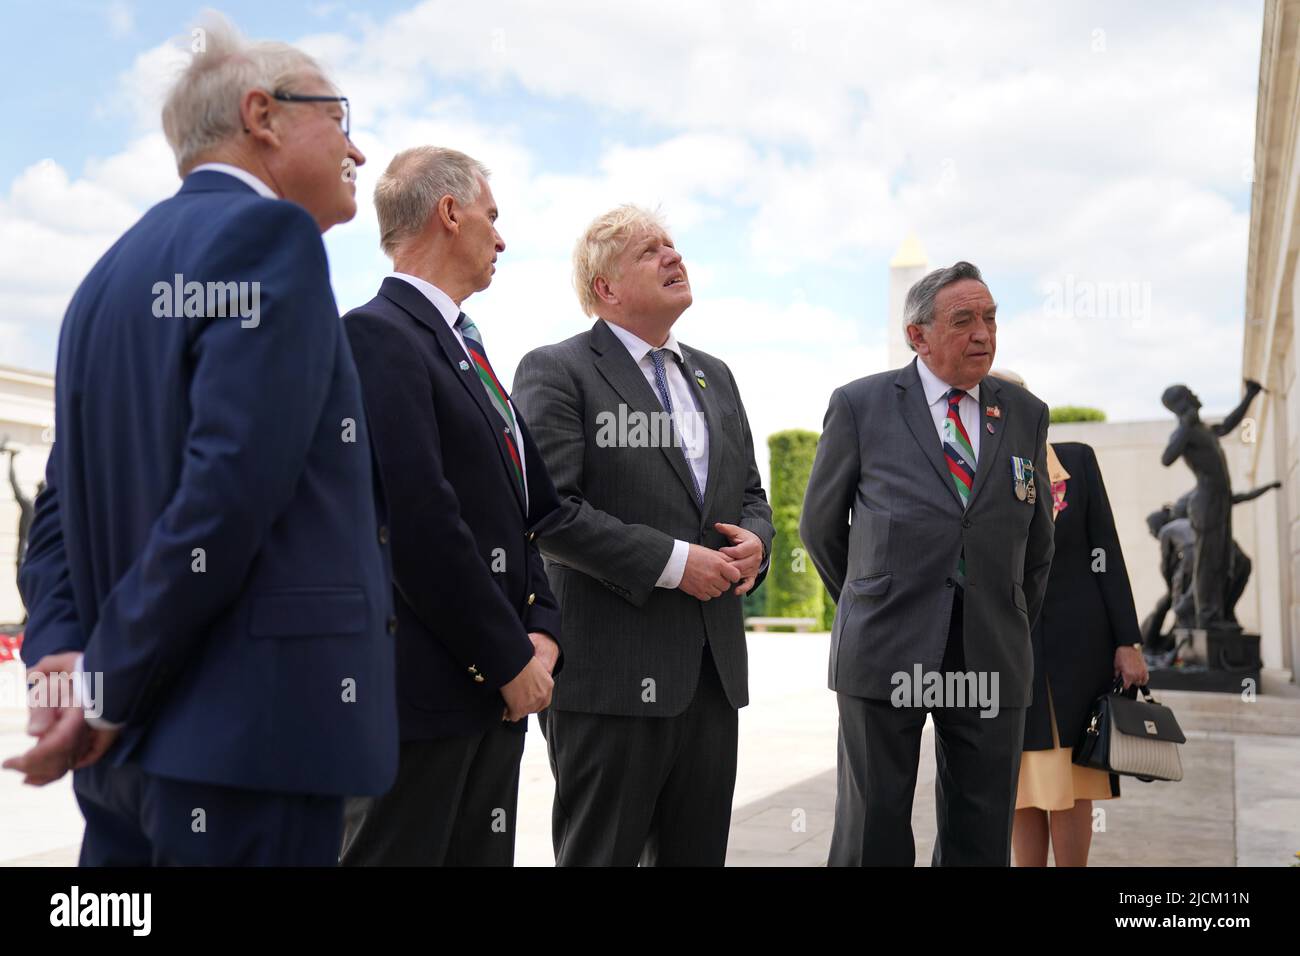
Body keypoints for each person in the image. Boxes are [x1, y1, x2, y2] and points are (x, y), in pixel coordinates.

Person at [3, 14, 397, 866]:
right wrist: (109, 684)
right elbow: (227, 490)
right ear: (263, 115)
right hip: (247, 750)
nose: (356, 152)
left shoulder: (104, 277)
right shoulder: (270, 238)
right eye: (339, 117)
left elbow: (57, 514)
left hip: (121, 761)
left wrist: (68, 657)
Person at [512, 204, 774, 866]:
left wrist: (758, 545)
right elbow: (551, 513)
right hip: (611, 678)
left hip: (712, 677)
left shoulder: (717, 375)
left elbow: (750, 495)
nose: (673, 256)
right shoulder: (557, 370)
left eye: (674, 246)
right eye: (650, 250)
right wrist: (674, 562)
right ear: (605, 287)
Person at [339, 147, 561, 867]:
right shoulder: (379, 335)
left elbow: (525, 511)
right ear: (449, 211)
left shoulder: (467, 349)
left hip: (496, 696)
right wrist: (506, 655)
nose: (501, 238)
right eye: (491, 217)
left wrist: (544, 630)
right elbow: (415, 519)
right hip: (426, 702)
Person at [801, 261, 1055, 866]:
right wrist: (874, 599)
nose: (983, 334)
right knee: (874, 828)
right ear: (918, 336)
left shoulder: (1024, 413)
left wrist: (1006, 613)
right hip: (885, 644)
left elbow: (1039, 545)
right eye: (963, 320)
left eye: (990, 318)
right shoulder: (861, 405)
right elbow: (820, 528)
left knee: (981, 827)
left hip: (990, 649)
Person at [987, 370, 1147, 868]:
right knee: (1020, 783)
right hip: (1008, 648)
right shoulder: (971, 472)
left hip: (1081, 649)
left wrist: (1128, 641)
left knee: (1075, 778)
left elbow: (1107, 551)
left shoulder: (1076, 460)